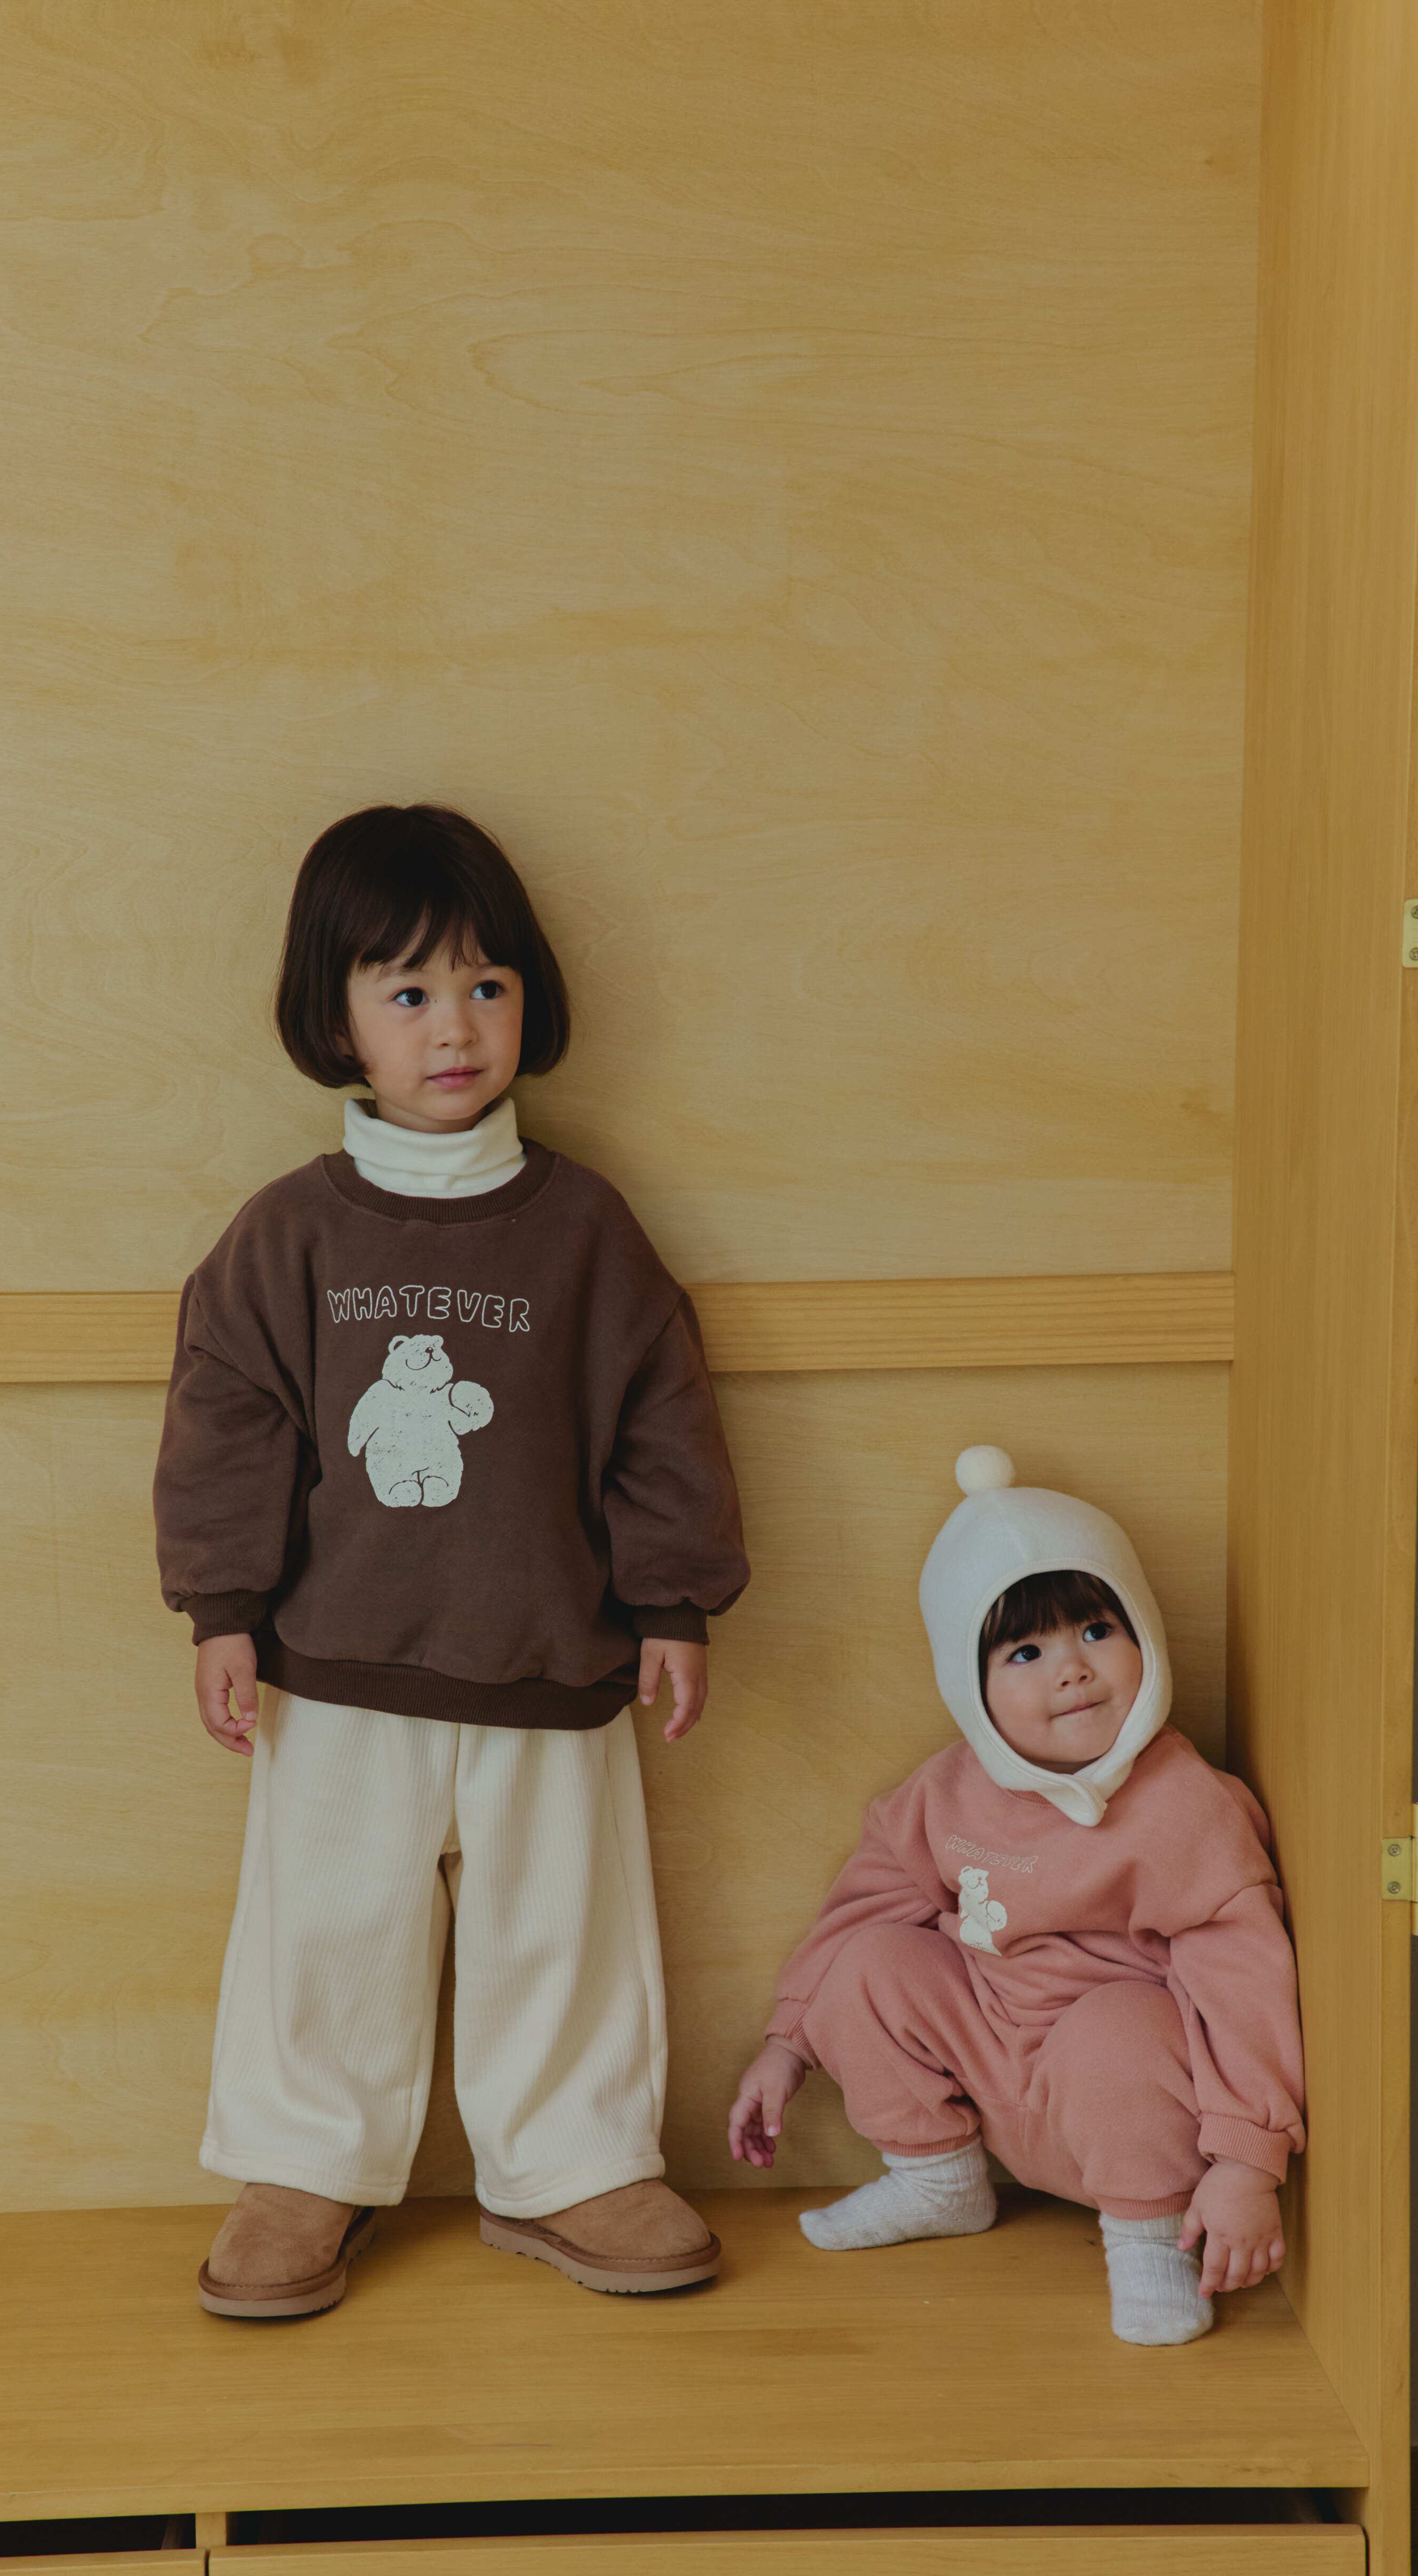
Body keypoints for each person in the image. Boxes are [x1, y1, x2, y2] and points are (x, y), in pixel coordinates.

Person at [155, 804, 747, 2318]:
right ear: (336, 1019)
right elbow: (227, 1424)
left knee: (564, 1927)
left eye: (486, 985)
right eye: (408, 991)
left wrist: (674, 1601)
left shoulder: (587, 1231)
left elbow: (660, 1419)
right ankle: (304, 2162)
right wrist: (222, 1611)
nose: (455, 1027)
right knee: (328, 1926)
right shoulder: (288, 1236)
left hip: (554, 1657)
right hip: (337, 1669)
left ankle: (573, 2162)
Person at [726, 1448, 1302, 2344]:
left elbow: (1245, 1986)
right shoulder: (945, 1793)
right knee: (870, 1960)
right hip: (991, 2076)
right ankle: (937, 2181)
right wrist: (786, 2046)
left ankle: (1149, 2240)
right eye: (1027, 1652)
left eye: (1096, 1631)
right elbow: (862, 1908)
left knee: (1119, 2028)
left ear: (1145, 1635)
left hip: (1131, 2108)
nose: (1072, 1669)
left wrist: (1246, 2163)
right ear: (971, 1685)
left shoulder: (1188, 1805)